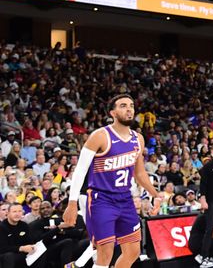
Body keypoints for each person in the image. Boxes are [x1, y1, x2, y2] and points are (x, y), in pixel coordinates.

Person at [62, 94, 162, 268]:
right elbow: (79, 170)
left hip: (125, 199)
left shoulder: (138, 138)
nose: (129, 109)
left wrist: (155, 194)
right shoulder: (100, 136)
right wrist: (72, 203)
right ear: (113, 113)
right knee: (105, 253)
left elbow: (139, 173)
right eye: (123, 106)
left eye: (131, 105)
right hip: (102, 200)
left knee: (133, 252)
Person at [0, 203, 46, 268]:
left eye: (19, 211)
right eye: (14, 211)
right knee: (9, 256)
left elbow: (29, 241)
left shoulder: (24, 225)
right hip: (7, 255)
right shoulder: (2, 227)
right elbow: (2, 248)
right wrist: (21, 248)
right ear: (8, 213)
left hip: (23, 254)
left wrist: (32, 247)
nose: (17, 214)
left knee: (40, 252)